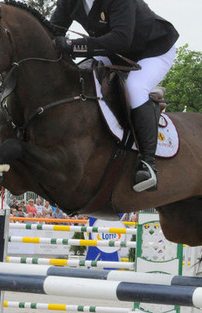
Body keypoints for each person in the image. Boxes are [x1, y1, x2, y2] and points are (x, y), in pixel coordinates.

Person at [50, 0, 179, 192]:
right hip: (113, 52)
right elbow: (52, 31)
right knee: (80, 77)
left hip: (152, 50)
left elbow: (120, 38)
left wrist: (72, 45)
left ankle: (147, 164)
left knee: (135, 89)